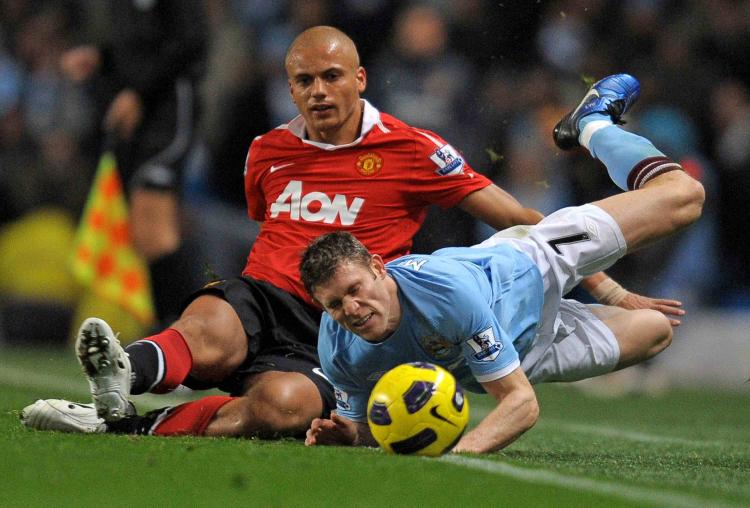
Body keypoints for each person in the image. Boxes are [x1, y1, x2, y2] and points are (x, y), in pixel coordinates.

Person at [21, 27, 672, 439]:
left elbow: (525, 221)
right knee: (211, 330)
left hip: (345, 328)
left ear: (360, 78)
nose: (320, 91)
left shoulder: (415, 149)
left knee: (282, 408)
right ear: (291, 89)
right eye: (304, 80)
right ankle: (121, 375)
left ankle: (123, 428)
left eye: (333, 77)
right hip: (268, 293)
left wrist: (613, 295)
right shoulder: (266, 152)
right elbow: (266, 222)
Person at [301, 74, 705, 454]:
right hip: (529, 348)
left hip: (535, 261)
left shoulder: (444, 293)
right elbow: (366, 431)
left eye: (354, 290)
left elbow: (521, 404)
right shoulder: (337, 351)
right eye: (335, 305)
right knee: (656, 332)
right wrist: (349, 437)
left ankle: (592, 125)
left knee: (684, 196)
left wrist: (459, 453)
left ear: (378, 267)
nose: (350, 310)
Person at [59, 1, 208, 324]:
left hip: (169, 116)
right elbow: (138, 46)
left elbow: (191, 42)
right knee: (147, 233)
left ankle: (190, 328)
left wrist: (138, 94)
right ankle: (177, 329)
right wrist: (101, 57)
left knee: (155, 230)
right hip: (142, 123)